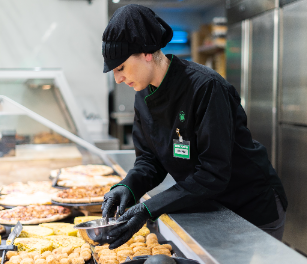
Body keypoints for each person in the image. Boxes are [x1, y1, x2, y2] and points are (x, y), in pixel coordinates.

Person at [100, 4, 287, 249]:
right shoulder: (142, 94)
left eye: (120, 67)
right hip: (208, 207)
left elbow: (213, 172)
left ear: (146, 52)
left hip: (250, 208)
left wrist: (149, 208)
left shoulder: (206, 87)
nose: (118, 79)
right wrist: (128, 186)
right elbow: (150, 160)